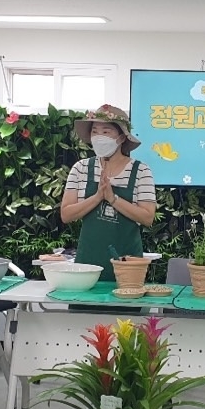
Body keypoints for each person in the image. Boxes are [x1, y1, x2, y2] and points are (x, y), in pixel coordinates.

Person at [59, 105, 156, 282]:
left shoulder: (141, 171)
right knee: (85, 307)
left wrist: (113, 198)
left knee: (125, 306)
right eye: (95, 131)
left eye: (106, 131)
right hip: (87, 264)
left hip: (128, 263)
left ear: (121, 137)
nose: (99, 136)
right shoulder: (80, 169)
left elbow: (147, 217)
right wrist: (97, 197)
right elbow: (66, 214)